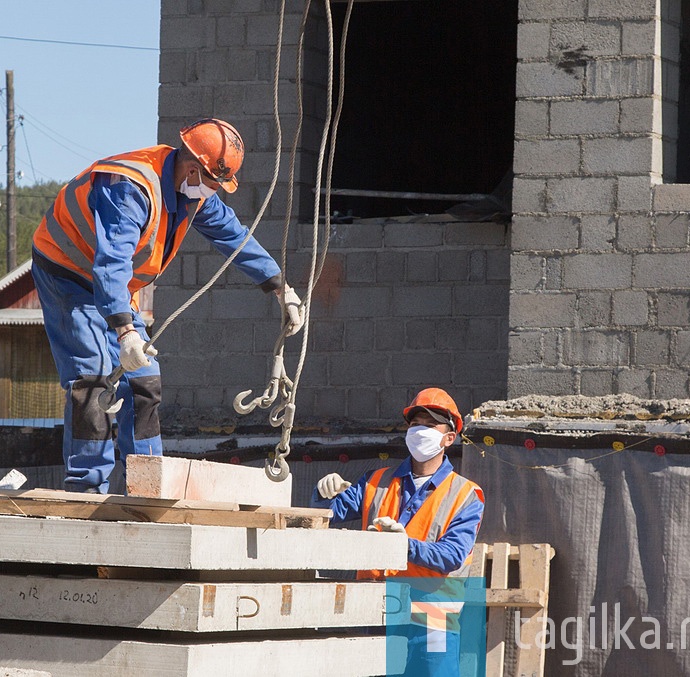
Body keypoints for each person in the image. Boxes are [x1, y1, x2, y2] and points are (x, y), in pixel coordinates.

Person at [31, 118, 304, 494]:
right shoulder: (130, 187)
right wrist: (125, 331)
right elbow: (111, 263)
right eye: (215, 183)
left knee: (144, 381)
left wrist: (281, 288)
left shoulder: (191, 192)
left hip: (112, 285)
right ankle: (85, 488)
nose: (215, 193)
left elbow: (234, 236)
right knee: (93, 382)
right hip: (67, 271)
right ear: (195, 169)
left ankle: (146, 484)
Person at [312, 387, 484, 675]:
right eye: (415, 424)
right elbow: (326, 517)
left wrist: (403, 545)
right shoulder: (376, 481)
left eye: (430, 426)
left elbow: (452, 556)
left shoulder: (466, 494)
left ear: (449, 438)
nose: (420, 431)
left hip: (431, 623)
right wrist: (322, 494)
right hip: (377, 614)